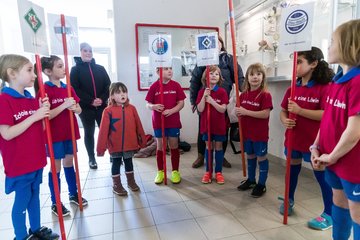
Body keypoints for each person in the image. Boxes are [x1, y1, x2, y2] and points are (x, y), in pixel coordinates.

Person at [0, 54, 59, 240]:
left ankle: (36, 229)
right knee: (22, 201)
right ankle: (20, 236)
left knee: (35, 196)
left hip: (36, 158)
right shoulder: (4, 100)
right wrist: (34, 116)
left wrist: (43, 113)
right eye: (29, 70)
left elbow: (40, 128)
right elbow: (7, 134)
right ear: (12, 73)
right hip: (19, 162)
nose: (34, 75)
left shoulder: (30, 98)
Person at [311, 19, 360, 239]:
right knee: (338, 204)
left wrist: (332, 156)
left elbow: (354, 131)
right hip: (332, 158)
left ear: (350, 44)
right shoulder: (336, 81)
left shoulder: (358, 81)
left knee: (357, 213)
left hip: (352, 163)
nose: (328, 47)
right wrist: (316, 146)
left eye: (333, 42)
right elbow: (327, 120)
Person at [279, 47, 334, 230]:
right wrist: (285, 120)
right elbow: (283, 111)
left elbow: (327, 114)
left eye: (299, 61)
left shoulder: (324, 88)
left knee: (321, 176)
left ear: (314, 63)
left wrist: (301, 111)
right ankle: (289, 200)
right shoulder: (293, 87)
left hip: (315, 143)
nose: (295, 65)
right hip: (294, 138)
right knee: (291, 171)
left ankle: (329, 213)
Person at [37, 56, 88, 217]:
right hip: (54, 136)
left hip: (70, 132)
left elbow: (79, 110)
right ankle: (55, 201)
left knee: (69, 163)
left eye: (63, 66)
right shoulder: (45, 90)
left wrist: (74, 108)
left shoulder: (68, 88)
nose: (63, 68)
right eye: (59, 66)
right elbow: (46, 115)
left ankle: (73, 194)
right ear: (48, 71)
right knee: (55, 167)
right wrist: (64, 105)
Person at [190, 35, 244, 169]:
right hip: (205, 100)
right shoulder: (203, 59)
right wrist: (193, 100)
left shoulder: (228, 59)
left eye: (217, 43)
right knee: (203, 129)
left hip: (222, 100)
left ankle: (221, 155)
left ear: (221, 45)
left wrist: (244, 89)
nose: (215, 45)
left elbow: (239, 76)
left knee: (222, 130)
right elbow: (195, 80)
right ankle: (201, 156)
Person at [97, 82, 146, 196]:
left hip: (130, 143)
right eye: (118, 92)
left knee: (129, 163)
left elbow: (138, 125)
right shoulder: (108, 111)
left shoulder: (132, 109)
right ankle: (117, 184)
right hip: (115, 145)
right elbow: (103, 131)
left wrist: (142, 140)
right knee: (116, 163)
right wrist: (101, 148)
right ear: (112, 96)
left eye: (124, 91)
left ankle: (131, 181)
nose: (122, 94)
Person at [70, 42, 111, 169]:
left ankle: (113, 154)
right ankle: (92, 158)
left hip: (101, 106)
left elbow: (108, 86)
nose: (88, 53)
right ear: (80, 53)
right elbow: (74, 89)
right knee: (89, 132)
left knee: (107, 131)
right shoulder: (75, 70)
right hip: (86, 108)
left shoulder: (100, 68)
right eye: (85, 51)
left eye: (90, 51)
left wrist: (102, 99)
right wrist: (90, 101)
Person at [235, 63, 273, 197]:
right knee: (250, 156)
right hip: (247, 133)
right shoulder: (243, 95)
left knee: (261, 157)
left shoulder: (265, 95)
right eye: (251, 74)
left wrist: (246, 111)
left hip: (259, 134)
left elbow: (265, 114)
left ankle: (261, 184)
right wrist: (238, 112)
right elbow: (239, 112)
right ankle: (251, 180)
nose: (255, 77)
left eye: (258, 74)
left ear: (263, 77)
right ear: (247, 78)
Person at [145, 67, 186, 184]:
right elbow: (147, 104)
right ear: (158, 72)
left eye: (171, 69)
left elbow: (181, 103)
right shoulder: (154, 86)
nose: (170, 71)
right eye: (166, 69)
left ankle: (175, 171)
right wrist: (153, 106)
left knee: (174, 146)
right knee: (160, 146)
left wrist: (172, 110)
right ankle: (160, 171)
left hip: (173, 121)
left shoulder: (176, 85)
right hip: (159, 122)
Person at [196, 65, 229, 184]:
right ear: (206, 77)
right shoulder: (201, 92)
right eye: (211, 73)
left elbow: (222, 109)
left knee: (218, 147)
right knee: (208, 147)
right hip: (206, 126)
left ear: (220, 77)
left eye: (217, 74)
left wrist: (212, 101)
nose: (214, 76)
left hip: (219, 126)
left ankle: (218, 172)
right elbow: (200, 109)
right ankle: (208, 172)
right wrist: (204, 97)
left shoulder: (222, 92)